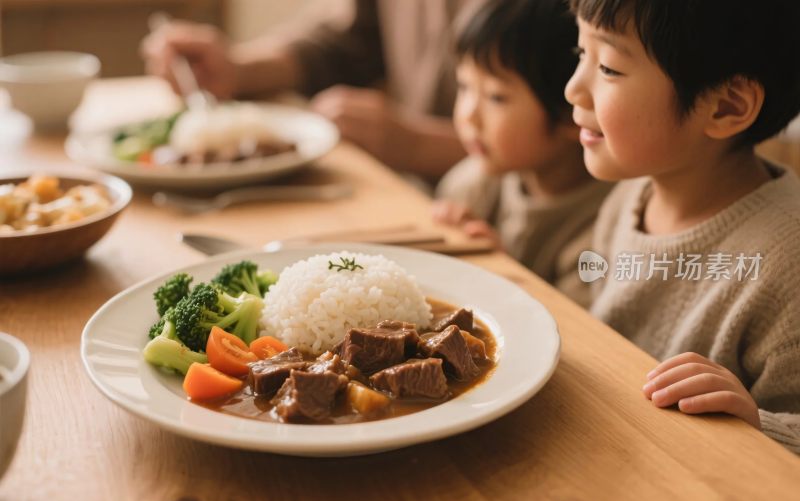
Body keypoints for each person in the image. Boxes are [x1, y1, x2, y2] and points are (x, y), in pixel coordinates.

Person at [565, 0, 800, 451]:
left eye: (610, 67)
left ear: (726, 106)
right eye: (581, 55)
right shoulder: (631, 196)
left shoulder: (784, 260)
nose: (574, 89)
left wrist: (758, 423)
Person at [140, 1, 486, 180]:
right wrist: (238, 70)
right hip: (403, 191)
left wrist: (419, 146)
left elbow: (540, 147)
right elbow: (342, 37)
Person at [432, 0, 612, 308]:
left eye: (496, 97)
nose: (468, 116)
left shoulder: (602, 227)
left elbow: (578, 331)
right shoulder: (475, 181)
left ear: (573, 112)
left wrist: (500, 273)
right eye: (464, 86)